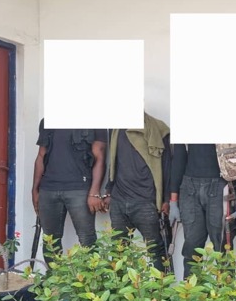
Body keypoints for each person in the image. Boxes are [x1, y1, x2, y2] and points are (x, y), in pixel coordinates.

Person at [169, 144, 236, 278]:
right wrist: (173, 200)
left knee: (223, 249)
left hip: (220, 187)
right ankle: (191, 290)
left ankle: (225, 291)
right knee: (191, 248)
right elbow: (179, 159)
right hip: (189, 188)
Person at [102, 112, 171, 271]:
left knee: (155, 251)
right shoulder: (116, 128)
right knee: (119, 251)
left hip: (146, 202)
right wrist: (109, 190)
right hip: (119, 200)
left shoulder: (158, 128)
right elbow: (113, 161)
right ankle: (120, 287)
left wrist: (166, 199)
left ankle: (159, 287)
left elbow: (167, 167)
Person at [31, 119, 107, 264]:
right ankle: (55, 277)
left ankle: (91, 278)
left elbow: (100, 157)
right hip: (48, 188)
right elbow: (41, 155)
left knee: (87, 240)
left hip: (80, 189)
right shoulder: (47, 120)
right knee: (50, 241)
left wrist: (94, 191)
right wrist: (35, 189)